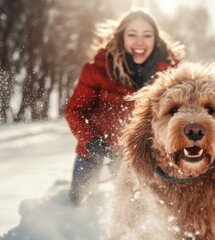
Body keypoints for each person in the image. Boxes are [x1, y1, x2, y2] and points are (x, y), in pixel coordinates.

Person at [64, 9, 184, 206]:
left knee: (139, 207)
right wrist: (91, 140)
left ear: (156, 39)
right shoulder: (97, 68)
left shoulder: (172, 72)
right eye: (132, 35)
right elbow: (75, 111)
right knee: (79, 200)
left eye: (147, 35)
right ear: (121, 38)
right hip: (95, 149)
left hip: (144, 152)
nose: (140, 41)